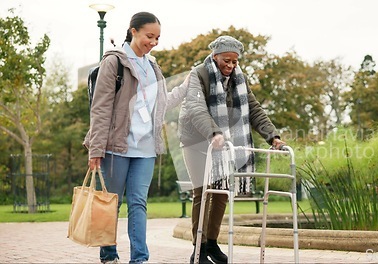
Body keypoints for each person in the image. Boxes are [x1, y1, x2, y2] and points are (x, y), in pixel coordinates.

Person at [84, 12, 188, 264]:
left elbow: (162, 103)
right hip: (116, 146)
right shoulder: (114, 62)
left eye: (157, 38)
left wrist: (188, 84)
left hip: (145, 149)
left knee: (139, 203)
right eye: (149, 36)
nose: (153, 42)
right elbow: (101, 107)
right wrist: (96, 149)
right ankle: (108, 254)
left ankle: (139, 258)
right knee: (112, 203)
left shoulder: (153, 67)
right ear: (133, 32)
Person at [178, 35, 286, 264]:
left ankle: (211, 243)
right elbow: (196, 108)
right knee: (203, 190)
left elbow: (254, 109)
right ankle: (198, 250)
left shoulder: (239, 78)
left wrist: (273, 137)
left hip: (224, 143)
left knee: (220, 193)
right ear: (215, 56)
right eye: (226, 60)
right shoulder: (199, 74)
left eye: (235, 61)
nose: (231, 65)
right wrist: (214, 132)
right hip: (196, 140)